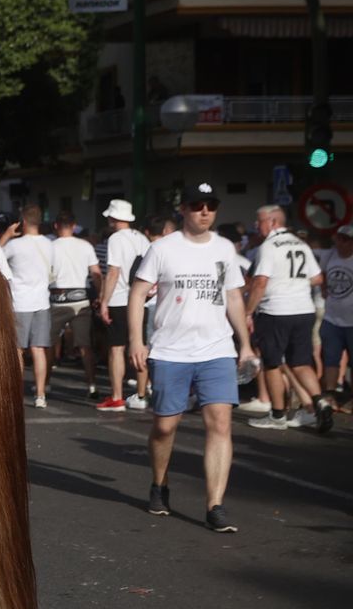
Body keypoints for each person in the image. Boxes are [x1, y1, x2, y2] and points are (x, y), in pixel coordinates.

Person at [128, 183, 253, 533]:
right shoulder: (163, 249)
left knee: (220, 424)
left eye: (211, 205)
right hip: (170, 351)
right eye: (197, 205)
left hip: (217, 349)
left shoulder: (225, 249)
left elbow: (233, 298)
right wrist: (138, 340)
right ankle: (159, 484)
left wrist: (244, 343)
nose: (205, 211)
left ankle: (215, 504)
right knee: (165, 426)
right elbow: (137, 294)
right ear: (183, 209)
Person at [245, 204, 333, 433]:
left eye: (260, 221)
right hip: (303, 309)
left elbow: (260, 282)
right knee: (301, 362)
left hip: (276, 310)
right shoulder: (300, 243)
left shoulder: (269, 246)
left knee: (272, 363)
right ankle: (319, 400)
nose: (257, 225)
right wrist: (293, 280)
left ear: (273, 222)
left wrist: (247, 311)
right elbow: (316, 278)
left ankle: (277, 414)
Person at [97, 199, 150, 411]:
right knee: (140, 347)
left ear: (113, 218)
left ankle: (117, 396)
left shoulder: (115, 239)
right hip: (141, 299)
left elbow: (113, 272)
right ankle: (141, 394)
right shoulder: (142, 238)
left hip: (119, 299)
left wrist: (104, 302)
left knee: (116, 349)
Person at [5, 207, 54, 407]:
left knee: (18, 349)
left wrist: (7, 235)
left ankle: (17, 391)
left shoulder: (15, 245)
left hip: (20, 302)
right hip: (42, 301)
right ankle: (40, 394)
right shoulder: (50, 244)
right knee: (39, 349)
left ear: (22, 222)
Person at [49, 213, 102, 398]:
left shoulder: (50, 246)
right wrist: (101, 296)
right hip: (81, 299)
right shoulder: (85, 245)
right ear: (74, 226)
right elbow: (96, 274)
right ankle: (92, 385)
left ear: (56, 225)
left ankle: (44, 383)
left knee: (47, 344)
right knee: (85, 346)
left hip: (57, 299)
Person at [318, 224, 353, 410]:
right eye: (339, 238)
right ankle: (330, 396)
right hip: (332, 318)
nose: (341, 243)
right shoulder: (329, 255)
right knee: (330, 359)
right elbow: (322, 274)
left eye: (346, 239)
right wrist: (324, 288)